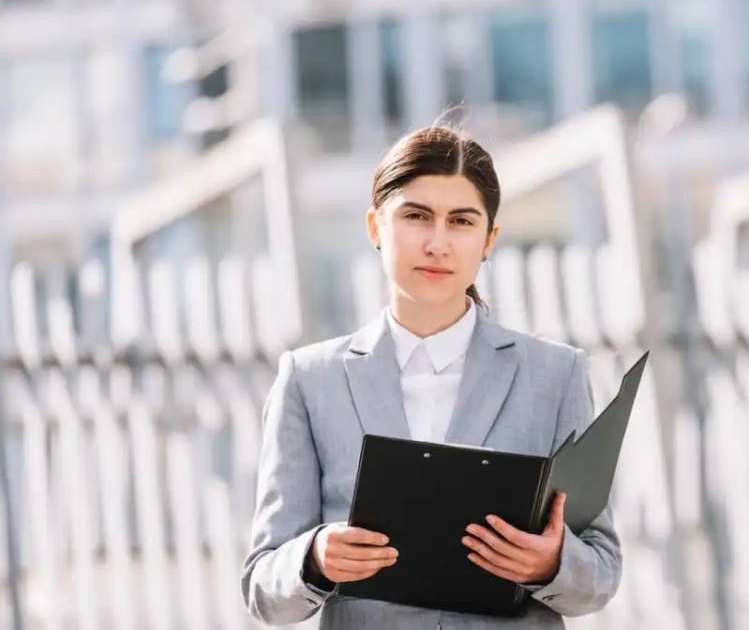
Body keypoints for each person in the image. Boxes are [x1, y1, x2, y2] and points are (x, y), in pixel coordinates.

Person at [240, 124, 621, 629]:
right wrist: (314, 557)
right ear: (376, 227)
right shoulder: (310, 380)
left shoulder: (555, 375)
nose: (438, 243)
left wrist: (551, 563)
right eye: (417, 216)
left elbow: (601, 569)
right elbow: (263, 588)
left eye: (461, 222)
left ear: (489, 240)